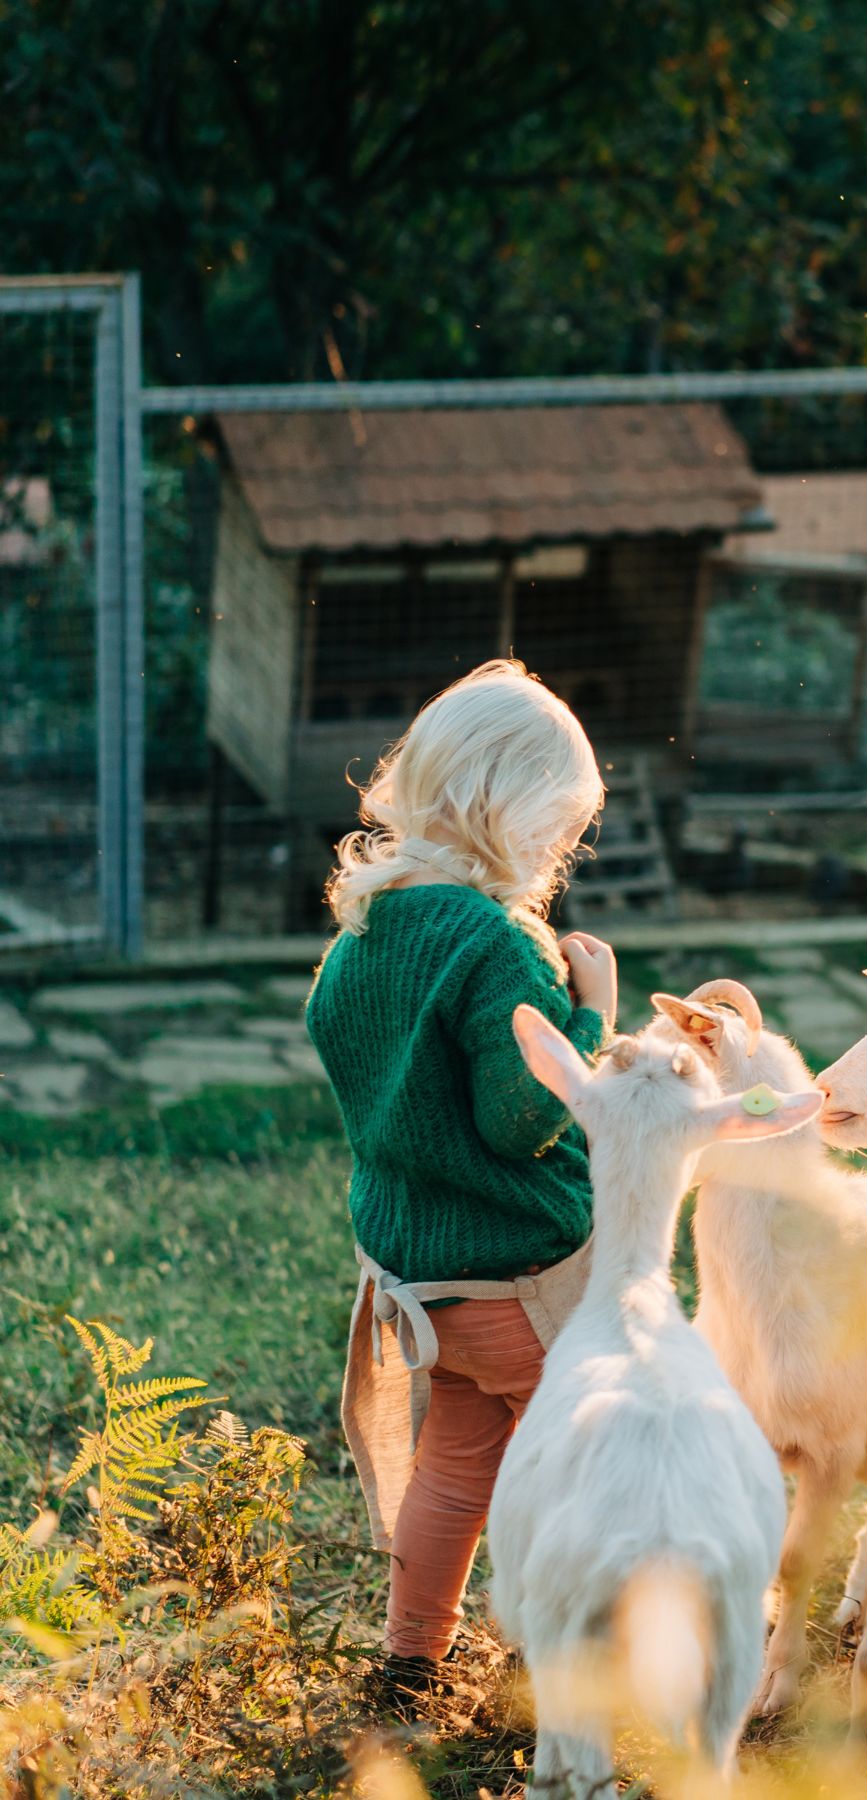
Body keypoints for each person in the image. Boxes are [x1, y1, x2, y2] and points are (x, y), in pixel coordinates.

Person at [304, 660, 617, 1704]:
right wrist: (590, 1015)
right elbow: (521, 1119)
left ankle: (408, 1664)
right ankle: (563, 1663)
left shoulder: (366, 927)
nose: (556, 856)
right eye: (554, 829)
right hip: (522, 1277)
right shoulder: (495, 944)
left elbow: (347, 1044)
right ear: (500, 806)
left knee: (455, 1464)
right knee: (570, 1472)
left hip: (422, 1282)